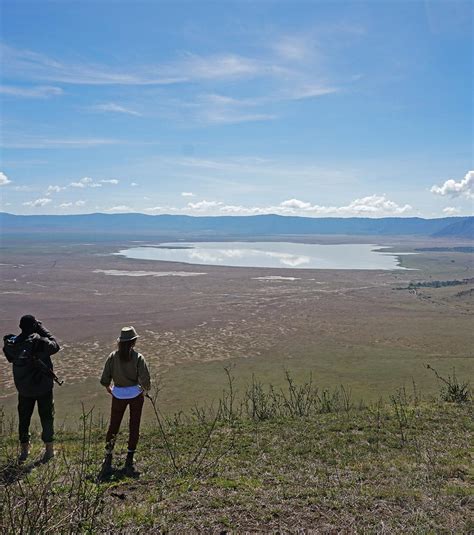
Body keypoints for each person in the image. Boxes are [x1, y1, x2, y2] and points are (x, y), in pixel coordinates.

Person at [2, 315, 61, 463]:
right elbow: (55, 345)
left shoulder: (12, 344)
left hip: (24, 389)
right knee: (47, 417)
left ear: (20, 327)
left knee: (24, 418)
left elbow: (10, 357)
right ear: (34, 326)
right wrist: (42, 329)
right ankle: (49, 450)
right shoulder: (39, 342)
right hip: (43, 388)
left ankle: (24, 450)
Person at [99, 326, 151, 477]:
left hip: (118, 395)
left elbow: (104, 379)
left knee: (113, 426)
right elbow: (145, 379)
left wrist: (109, 388)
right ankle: (129, 457)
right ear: (133, 342)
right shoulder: (138, 357)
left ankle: (108, 455)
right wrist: (144, 389)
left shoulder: (113, 357)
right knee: (134, 425)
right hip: (135, 394)